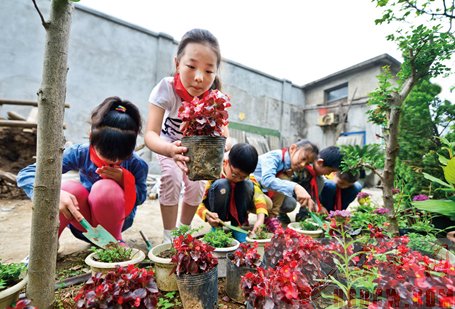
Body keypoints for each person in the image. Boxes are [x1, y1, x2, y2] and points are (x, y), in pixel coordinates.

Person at [17, 97, 149, 244]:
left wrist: (124, 180)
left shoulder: (136, 163)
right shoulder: (80, 153)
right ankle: (48, 246)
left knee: (105, 188)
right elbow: (26, 174)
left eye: (120, 158)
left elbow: (142, 197)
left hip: (116, 224)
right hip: (81, 224)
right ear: (92, 138)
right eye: (105, 155)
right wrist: (54, 194)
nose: (113, 161)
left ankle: (113, 244)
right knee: (68, 188)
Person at [144, 29, 229, 243]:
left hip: (197, 148)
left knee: (197, 184)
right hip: (168, 144)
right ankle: (168, 236)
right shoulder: (166, 88)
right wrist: (169, 150)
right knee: (171, 178)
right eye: (191, 67)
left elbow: (224, 132)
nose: (199, 78)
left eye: (209, 71)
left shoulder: (213, 97)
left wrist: (222, 146)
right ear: (177, 64)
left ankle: (182, 232)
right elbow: (151, 134)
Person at [196, 143, 271, 241]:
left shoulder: (248, 179)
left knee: (248, 185)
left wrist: (260, 220)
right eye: (235, 174)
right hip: (217, 214)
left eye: (243, 177)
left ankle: (237, 226)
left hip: (237, 212)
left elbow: (259, 197)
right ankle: (217, 228)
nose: (238, 179)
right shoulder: (213, 174)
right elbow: (197, 202)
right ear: (226, 163)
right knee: (222, 185)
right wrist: (206, 214)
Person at [253, 140, 319, 225]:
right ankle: (271, 217)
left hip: (264, 192)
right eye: (303, 158)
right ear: (292, 148)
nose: (303, 165)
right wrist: (296, 187)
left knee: (290, 204)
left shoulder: (290, 167)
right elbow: (267, 180)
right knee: (284, 179)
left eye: (307, 163)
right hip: (252, 190)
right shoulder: (274, 156)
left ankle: (271, 218)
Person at [293, 145, 343, 221]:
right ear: (320, 163)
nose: (328, 174)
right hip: (288, 191)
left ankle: (304, 214)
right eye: (330, 171)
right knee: (289, 204)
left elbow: (314, 198)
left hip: (302, 193)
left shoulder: (319, 180)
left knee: (320, 181)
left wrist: (319, 206)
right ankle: (281, 213)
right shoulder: (302, 166)